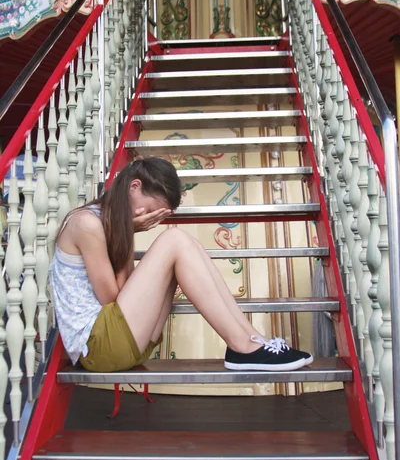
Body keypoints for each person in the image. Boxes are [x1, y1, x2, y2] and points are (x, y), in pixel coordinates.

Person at [51, 157, 313, 373]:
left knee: (186, 244)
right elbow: (111, 299)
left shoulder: (112, 223)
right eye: (149, 208)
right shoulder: (86, 223)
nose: (145, 216)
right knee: (174, 240)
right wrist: (128, 232)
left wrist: (125, 231)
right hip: (98, 347)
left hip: (130, 343)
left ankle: (252, 340)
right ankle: (241, 346)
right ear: (134, 186)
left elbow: (124, 292)